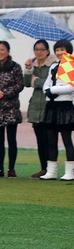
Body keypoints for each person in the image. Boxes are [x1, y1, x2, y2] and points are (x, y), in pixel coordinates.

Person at [0, 41, 24, 178]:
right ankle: (0, 168)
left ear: (8, 51)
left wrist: (4, 93)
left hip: (11, 109)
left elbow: (20, 85)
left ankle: (11, 169)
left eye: (2, 50)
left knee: (11, 139)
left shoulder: (15, 67)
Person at [40, 39, 74, 181]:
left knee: (67, 140)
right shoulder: (53, 66)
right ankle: (51, 171)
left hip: (65, 106)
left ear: (68, 51)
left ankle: (70, 171)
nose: (59, 53)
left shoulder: (71, 64)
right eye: (57, 50)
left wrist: (52, 90)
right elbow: (46, 85)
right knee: (51, 140)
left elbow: (70, 87)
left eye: (62, 50)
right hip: (51, 107)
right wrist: (48, 91)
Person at [24, 40, 57, 179]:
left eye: (42, 49)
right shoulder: (33, 64)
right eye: (36, 49)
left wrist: (35, 80)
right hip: (36, 106)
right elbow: (26, 83)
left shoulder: (53, 65)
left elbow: (49, 84)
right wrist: (28, 70)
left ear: (48, 51)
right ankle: (43, 168)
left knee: (49, 139)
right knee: (40, 140)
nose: (39, 52)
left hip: (48, 105)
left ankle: (51, 169)